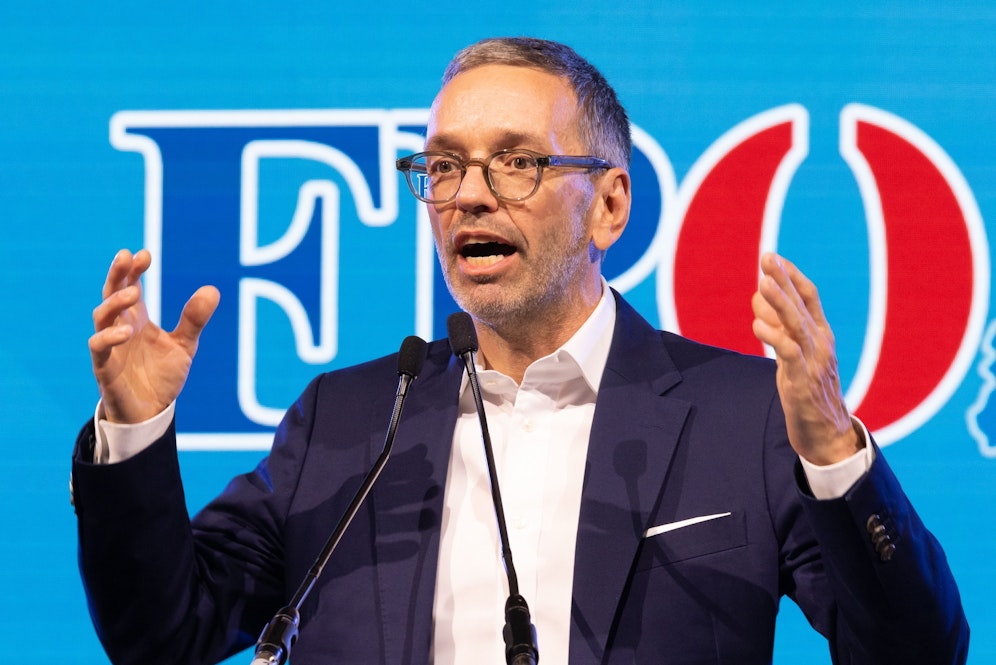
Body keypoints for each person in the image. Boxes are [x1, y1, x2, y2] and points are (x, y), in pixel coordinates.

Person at [73, 37, 968, 664]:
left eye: (516, 162)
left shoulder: (743, 418)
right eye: (444, 166)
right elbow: (164, 635)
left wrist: (833, 453)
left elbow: (917, 653)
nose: (468, 195)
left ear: (609, 206)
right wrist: (135, 430)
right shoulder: (344, 424)